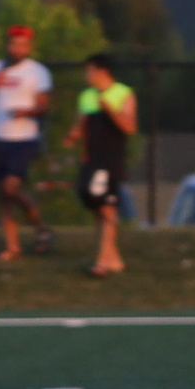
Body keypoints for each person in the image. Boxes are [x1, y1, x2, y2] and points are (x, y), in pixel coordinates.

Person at [0, 24, 53, 259]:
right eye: (15, 43)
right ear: (8, 45)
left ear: (29, 47)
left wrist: (26, 112)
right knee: (3, 195)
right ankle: (12, 246)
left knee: (10, 187)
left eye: (23, 44)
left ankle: (40, 227)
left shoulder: (37, 71)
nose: (18, 48)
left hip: (23, 139)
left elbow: (44, 106)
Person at [69, 51, 138, 277]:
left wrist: (109, 109)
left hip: (110, 160)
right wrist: (73, 136)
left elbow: (129, 127)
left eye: (89, 71)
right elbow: (81, 124)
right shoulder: (87, 96)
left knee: (106, 207)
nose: (86, 75)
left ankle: (102, 261)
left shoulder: (123, 93)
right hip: (92, 159)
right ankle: (113, 259)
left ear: (101, 71)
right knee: (93, 202)